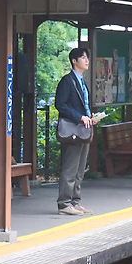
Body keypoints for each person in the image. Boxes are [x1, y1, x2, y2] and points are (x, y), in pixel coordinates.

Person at [55, 47, 102, 215]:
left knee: (80, 169)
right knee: (70, 168)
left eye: (87, 57)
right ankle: (64, 203)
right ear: (74, 61)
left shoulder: (82, 81)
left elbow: (84, 105)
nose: (87, 60)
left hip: (84, 129)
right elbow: (60, 104)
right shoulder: (67, 81)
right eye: (83, 58)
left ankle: (75, 201)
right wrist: (79, 117)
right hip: (73, 130)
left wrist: (90, 117)